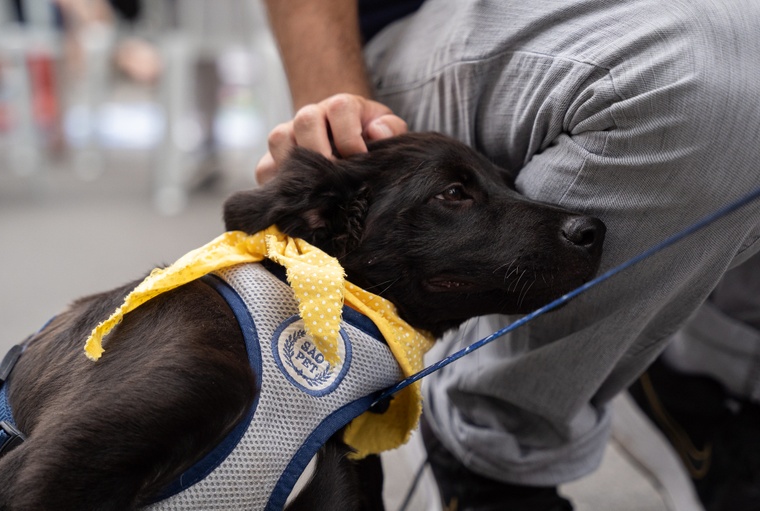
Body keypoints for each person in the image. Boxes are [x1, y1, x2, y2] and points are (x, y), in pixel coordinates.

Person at [257, 1, 760, 510]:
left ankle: (697, 375)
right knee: (708, 71)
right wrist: (340, 134)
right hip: (434, 25)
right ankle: (486, 444)